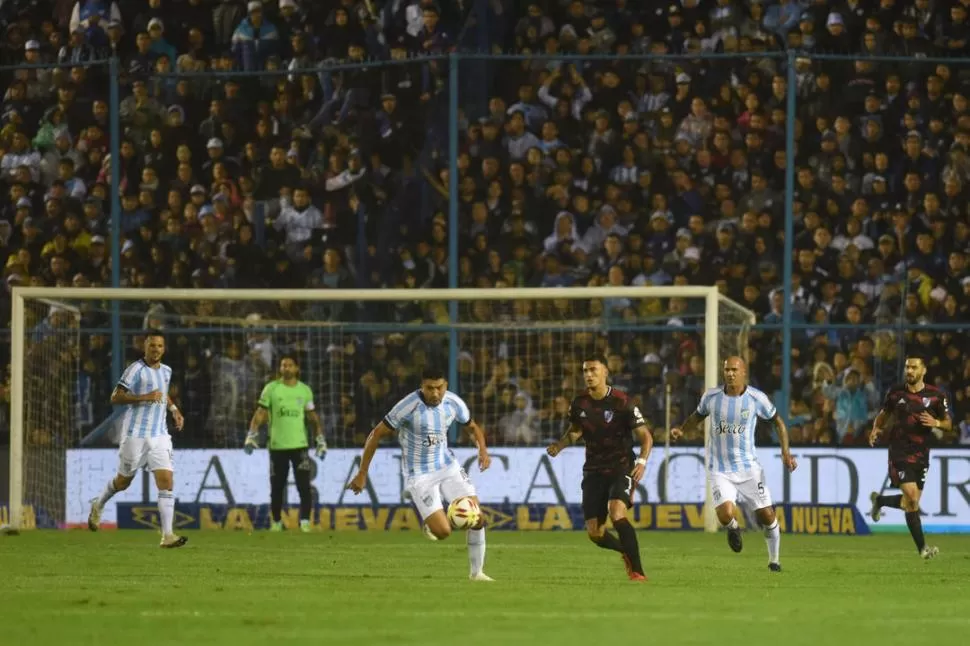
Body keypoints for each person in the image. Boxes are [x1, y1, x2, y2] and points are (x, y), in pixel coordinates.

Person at [346, 366, 494, 582]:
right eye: (429, 388)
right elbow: (376, 434)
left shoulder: (453, 403)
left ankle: (476, 573)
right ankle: (432, 522)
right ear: (421, 386)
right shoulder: (408, 406)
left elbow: (472, 427)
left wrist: (482, 450)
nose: (435, 393)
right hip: (420, 476)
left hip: (448, 467)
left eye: (439, 388)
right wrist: (362, 472)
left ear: (446, 386)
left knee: (476, 517)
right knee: (443, 532)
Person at [670, 356, 796, 572]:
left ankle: (774, 561)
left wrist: (786, 452)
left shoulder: (756, 398)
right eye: (727, 369)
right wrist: (682, 430)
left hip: (749, 469)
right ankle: (733, 528)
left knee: (766, 515)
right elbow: (697, 417)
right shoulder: (711, 397)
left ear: (743, 372)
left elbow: (778, 422)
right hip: (720, 468)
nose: (730, 373)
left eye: (734, 370)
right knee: (725, 514)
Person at [546, 354, 653, 582]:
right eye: (585, 371)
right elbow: (575, 431)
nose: (588, 375)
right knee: (595, 533)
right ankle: (625, 551)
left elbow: (646, 437)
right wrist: (560, 445)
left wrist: (642, 462)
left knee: (617, 513)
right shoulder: (579, 403)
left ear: (605, 372)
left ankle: (638, 572)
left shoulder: (622, 402)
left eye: (593, 370)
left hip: (621, 465)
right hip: (593, 469)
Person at [87, 330, 188, 548]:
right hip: (135, 435)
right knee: (123, 481)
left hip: (160, 435)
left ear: (164, 348)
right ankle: (99, 503)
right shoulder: (135, 370)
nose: (156, 350)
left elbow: (162, 393)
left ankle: (168, 535)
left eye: (160, 346)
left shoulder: (167, 371)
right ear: (145, 347)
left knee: (166, 482)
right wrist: (143, 397)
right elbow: (115, 397)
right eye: (152, 346)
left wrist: (174, 409)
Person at [867, 355, 951, 559]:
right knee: (912, 498)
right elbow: (884, 413)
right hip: (899, 452)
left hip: (921, 454)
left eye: (914, 367)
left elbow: (948, 423)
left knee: (909, 503)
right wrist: (876, 428)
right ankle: (923, 550)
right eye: (907, 367)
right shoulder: (896, 393)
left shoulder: (936, 396)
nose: (910, 371)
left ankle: (880, 501)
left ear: (923, 371)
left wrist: (936, 423)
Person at [245, 355, 326, 532]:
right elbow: (260, 413)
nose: (286, 368)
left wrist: (320, 439)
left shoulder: (304, 390)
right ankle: (276, 522)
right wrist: (252, 434)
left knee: (304, 487)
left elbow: (313, 418)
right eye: (283, 365)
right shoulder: (271, 389)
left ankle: (304, 522)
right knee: (277, 487)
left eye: (290, 365)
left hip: (300, 445)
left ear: (296, 368)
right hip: (277, 446)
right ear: (280, 369)